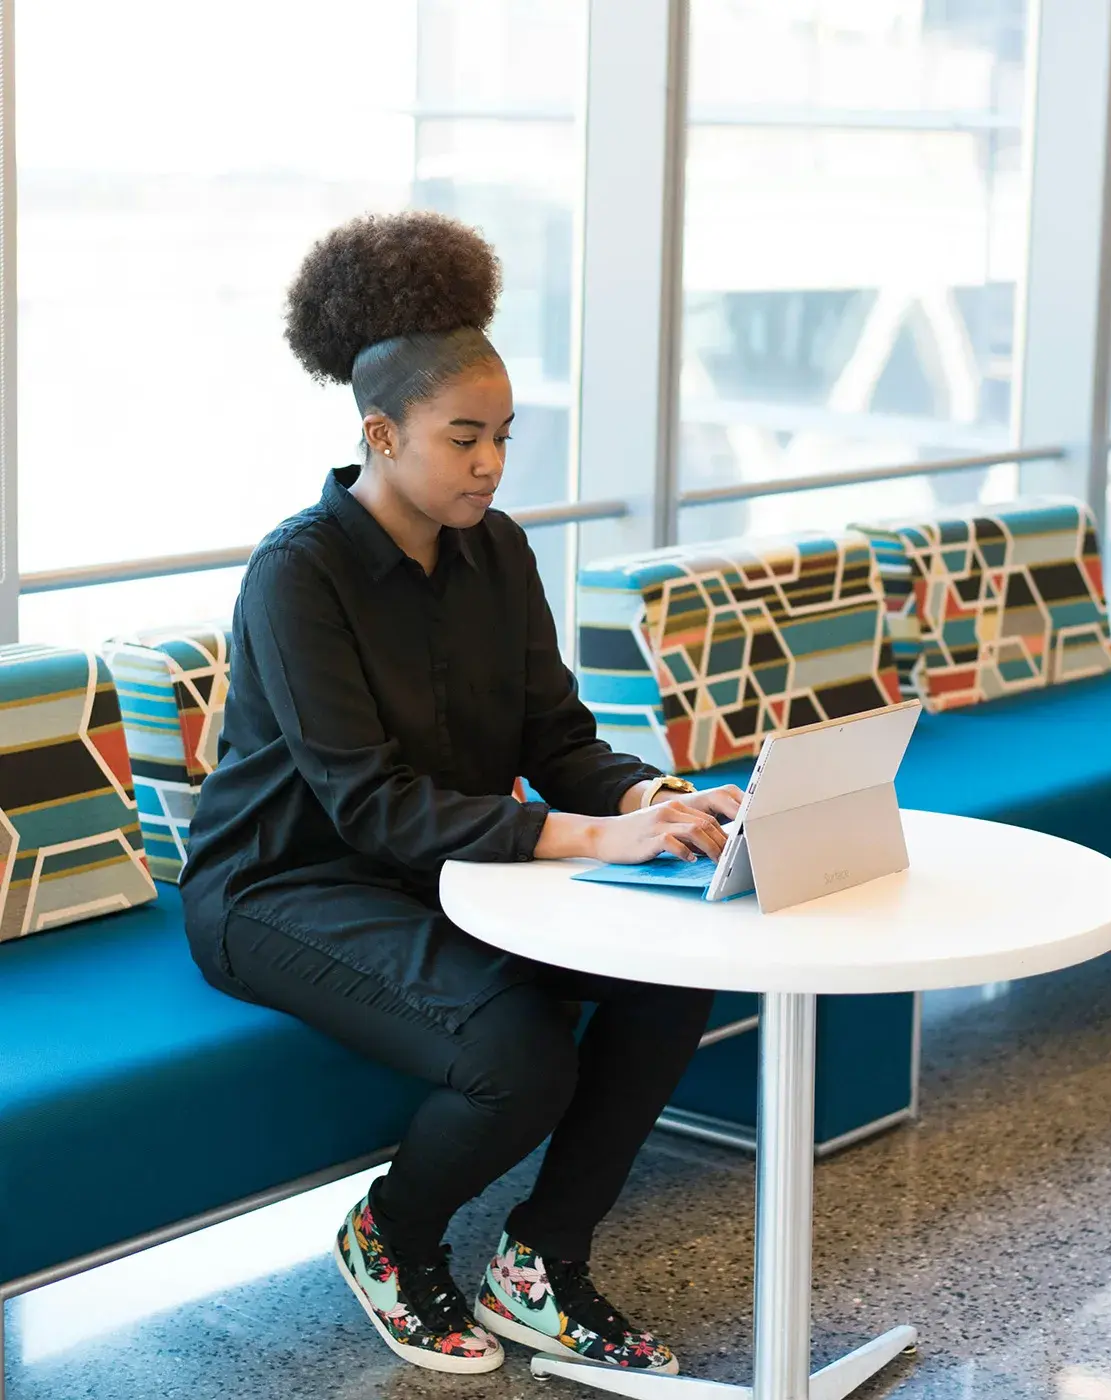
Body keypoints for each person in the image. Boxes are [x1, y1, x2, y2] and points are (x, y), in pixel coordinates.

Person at [180, 210, 743, 1377]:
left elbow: (556, 737)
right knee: (518, 1053)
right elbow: (371, 806)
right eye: (464, 437)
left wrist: (656, 796)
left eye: (503, 437)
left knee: (669, 975)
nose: (490, 463)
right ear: (381, 434)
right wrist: (597, 837)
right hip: (283, 887)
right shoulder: (297, 575)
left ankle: (539, 1261)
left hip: (446, 868)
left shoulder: (498, 550)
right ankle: (390, 1237)